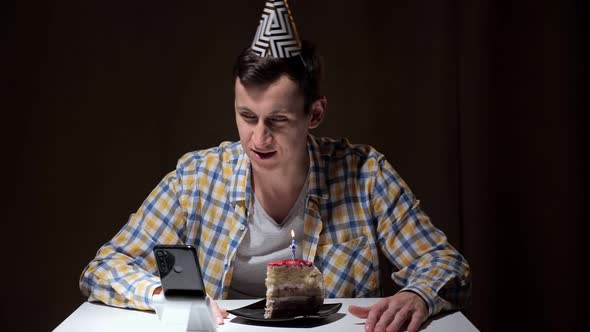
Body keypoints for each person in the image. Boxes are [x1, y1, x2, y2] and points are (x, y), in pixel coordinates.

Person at [79, 2, 471, 332]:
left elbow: (444, 262)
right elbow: (104, 267)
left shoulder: (365, 174)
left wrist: (415, 293)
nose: (258, 138)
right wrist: (163, 294)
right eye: (247, 116)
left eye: (277, 121)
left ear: (315, 113)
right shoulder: (196, 179)